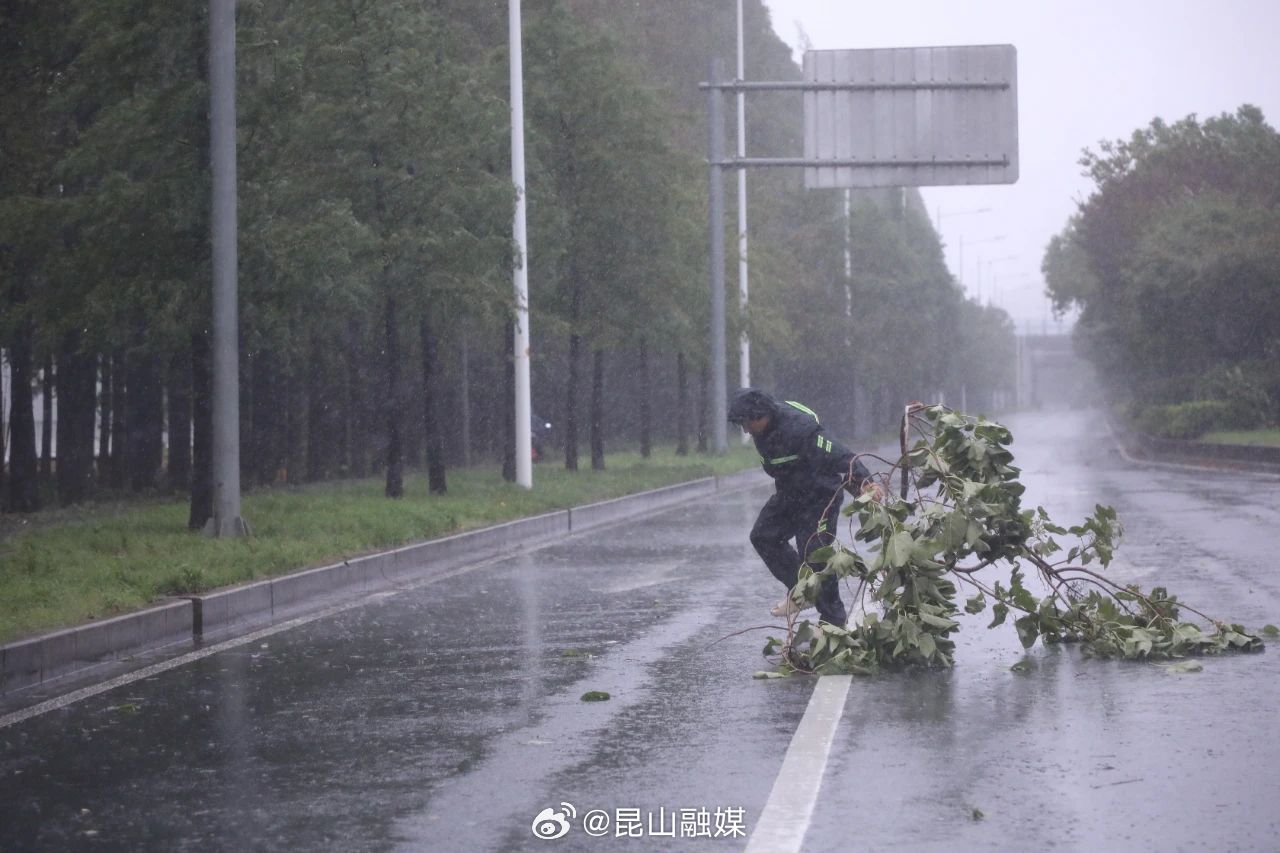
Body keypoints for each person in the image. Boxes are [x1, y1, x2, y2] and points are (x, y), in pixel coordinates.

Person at [728, 387, 875, 627]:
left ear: (761, 415)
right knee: (763, 536)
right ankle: (802, 590)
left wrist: (865, 484)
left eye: (746, 423)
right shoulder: (763, 432)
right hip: (790, 493)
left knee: (815, 553)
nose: (745, 430)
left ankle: (833, 620)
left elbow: (842, 456)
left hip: (820, 495)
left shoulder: (800, 429)